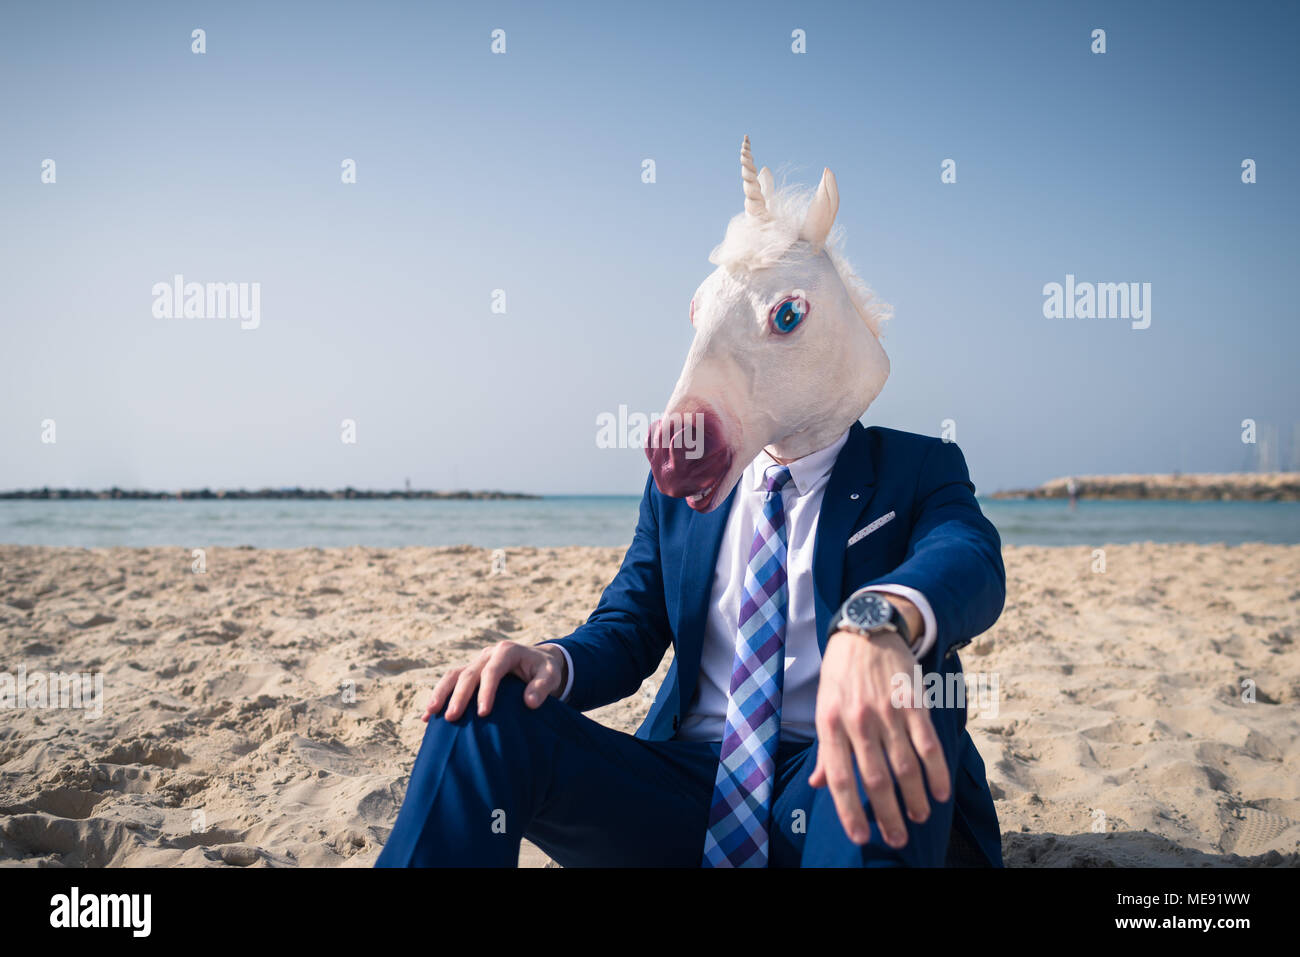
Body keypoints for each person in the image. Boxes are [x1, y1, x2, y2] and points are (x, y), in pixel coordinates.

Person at [375, 422, 1005, 867]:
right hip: (687, 794)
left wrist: (879, 618)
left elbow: (969, 556)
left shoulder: (918, 464)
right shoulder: (686, 483)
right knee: (482, 709)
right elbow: (630, 624)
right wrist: (553, 661)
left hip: (834, 789)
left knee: (901, 699)